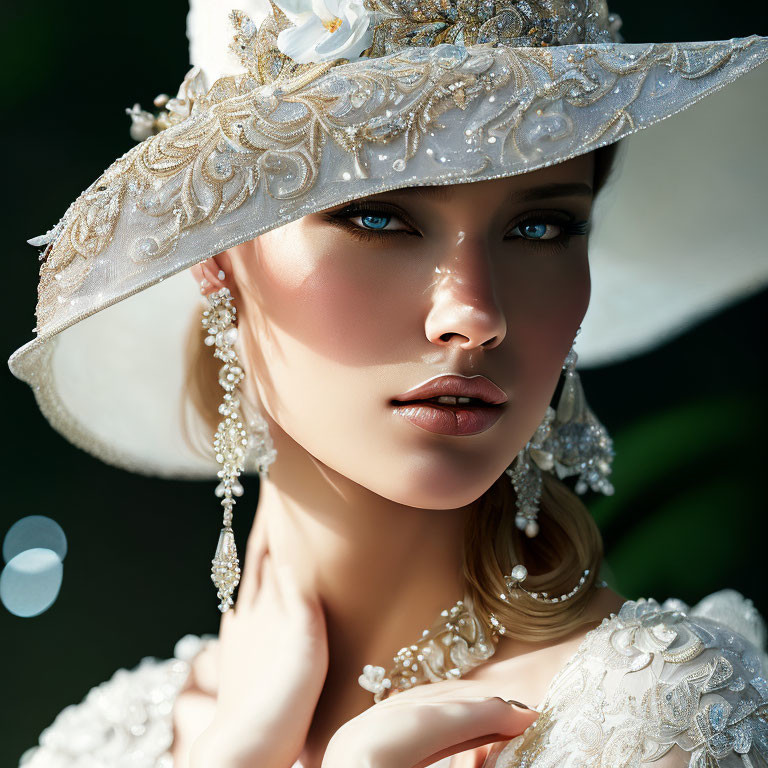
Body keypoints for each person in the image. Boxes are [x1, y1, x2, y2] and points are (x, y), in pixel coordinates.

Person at [9, 0, 768, 766]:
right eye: (378, 218)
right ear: (217, 258)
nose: (473, 314)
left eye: (541, 227)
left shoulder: (661, 712)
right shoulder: (97, 746)